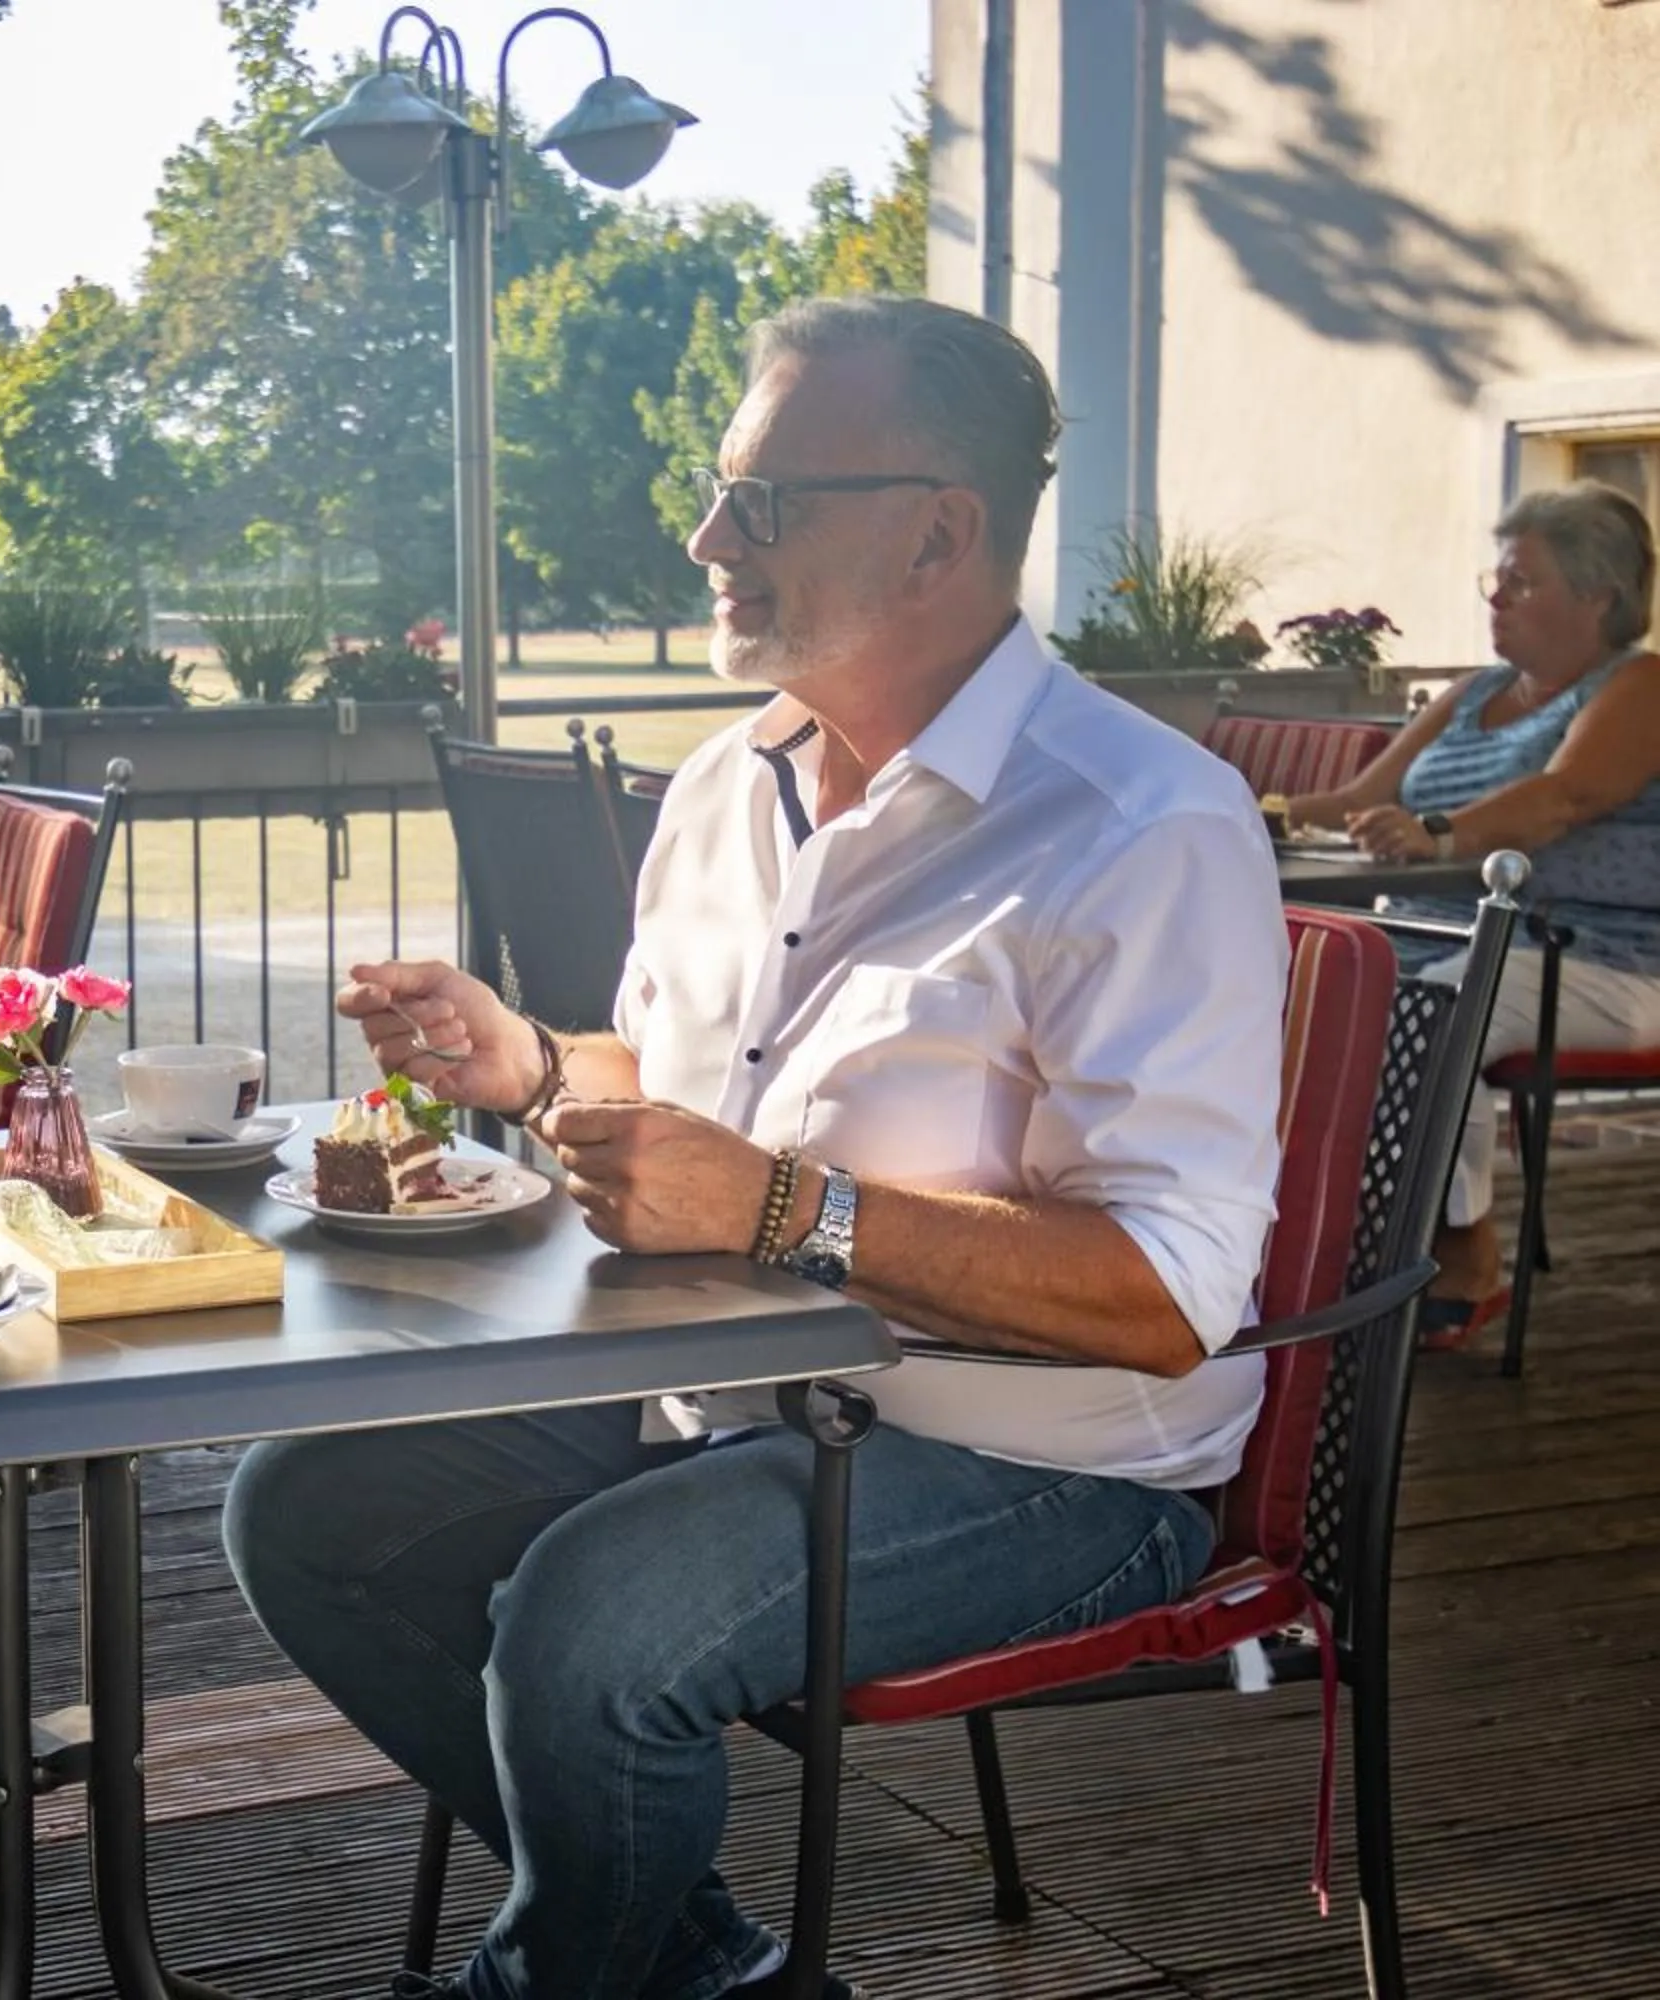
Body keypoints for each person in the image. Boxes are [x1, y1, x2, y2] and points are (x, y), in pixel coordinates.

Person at [221, 296, 1289, 2000]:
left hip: (1047, 1460)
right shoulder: (729, 785)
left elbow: (1165, 1292)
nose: (710, 537)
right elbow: (681, 1086)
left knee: (592, 1623)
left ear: (941, 527)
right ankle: (701, 1971)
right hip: (732, 1399)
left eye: (765, 501)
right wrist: (521, 1063)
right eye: (719, 495)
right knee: (307, 1505)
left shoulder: (1143, 825)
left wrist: (785, 1206)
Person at [1280, 482, 1660, 1345]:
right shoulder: (1473, 691)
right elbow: (1353, 802)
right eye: (1495, 578)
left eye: (1522, 582)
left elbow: (1568, 797)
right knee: (1284, 989)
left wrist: (1437, 833)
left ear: (1598, 595)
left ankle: (1463, 1253)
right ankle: (1305, 1241)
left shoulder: (1639, 685)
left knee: (1435, 1011)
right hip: (1438, 938)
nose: (1496, 597)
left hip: (1596, 956)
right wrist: (1236, 809)